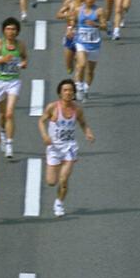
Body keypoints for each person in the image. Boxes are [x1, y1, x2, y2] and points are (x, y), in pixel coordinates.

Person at [38, 79, 94, 217]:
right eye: (65, 90)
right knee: (51, 182)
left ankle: (59, 203)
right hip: (54, 148)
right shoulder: (52, 107)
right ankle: (58, 192)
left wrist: (88, 132)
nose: (68, 93)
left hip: (69, 147)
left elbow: (83, 123)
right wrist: (45, 135)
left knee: (63, 179)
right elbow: (41, 121)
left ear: (74, 93)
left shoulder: (77, 110)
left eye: (70, 90)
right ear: (60, 93)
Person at [0, 17, 28, 159]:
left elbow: (24, 58)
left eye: (13, 29)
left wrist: (23, 63)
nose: (11, 32)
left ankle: (9, 144)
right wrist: (1, 60)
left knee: (10, 113)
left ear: (17, 31)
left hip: (13, 82)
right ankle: (3, 133)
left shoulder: (20, 45)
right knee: (3, 114)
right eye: (8, 29)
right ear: (4, 31)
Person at [72, 0, 106, 101]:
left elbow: (104, 26)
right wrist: (70, 29)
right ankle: (79, 87)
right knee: (81, 64)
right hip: (81, 42)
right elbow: (72, 22)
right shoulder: (78, 10)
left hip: (94, 43)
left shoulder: (99, 11)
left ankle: (86, 88)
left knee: (90, 70)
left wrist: (95, 24)